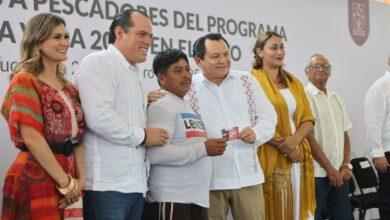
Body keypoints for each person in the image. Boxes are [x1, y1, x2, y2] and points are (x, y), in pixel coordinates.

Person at [73, 9, 169, 220]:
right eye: (142, 34)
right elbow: (99, 118)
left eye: (151, 36)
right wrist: (143, 136)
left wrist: (146, 104)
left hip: (134, 187)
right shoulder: (99, 62)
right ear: (119, 32)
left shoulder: (132, 73)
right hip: (106, 187)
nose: (148, 41)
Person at [1, 13, 85, 219]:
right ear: (38, 42)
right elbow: (32, 138)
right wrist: (66, 184)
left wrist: (80, 180)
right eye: (57, 37)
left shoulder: (70, 88)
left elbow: (78, 138)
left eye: (66, 36)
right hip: (35, 175)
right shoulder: (25, 80)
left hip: (70, 178)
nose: (64, 42)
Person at [142, 49, 227, 220]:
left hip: (193, 199)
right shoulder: (162, 104)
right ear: (161, 78)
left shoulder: (184, 104)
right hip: (171, 198)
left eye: (187, 69)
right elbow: (157, 154)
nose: (186, 75)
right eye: (178, 70)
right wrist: (203, 149)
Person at [251, 31, 315, 220]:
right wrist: (285, 147)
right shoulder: (251, 81)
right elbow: (252, 122)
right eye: (273, 47)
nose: (279, 52)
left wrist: (294, 141)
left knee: (298, 209)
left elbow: (308, 119)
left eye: (281, 47)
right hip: (271, 154)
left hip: (298, 155)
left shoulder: (293, 81)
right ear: (260, 52)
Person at [304, 54, 354, 220]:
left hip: (340, 173)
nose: (321, 69)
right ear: (306, 72)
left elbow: (345, 133)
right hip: (316, 175)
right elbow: (308, 138)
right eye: (316, 66)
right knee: (314, 217)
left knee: (343, 217)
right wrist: (329, 169)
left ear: (330, 72)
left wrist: (346, 164)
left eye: (325, 66)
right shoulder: (303, 97)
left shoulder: (336, 97)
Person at [364, 53, 390, 219]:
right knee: (388, 201)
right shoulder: (380, 87)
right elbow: (373, 123)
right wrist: (378, 154)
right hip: (387, 155)